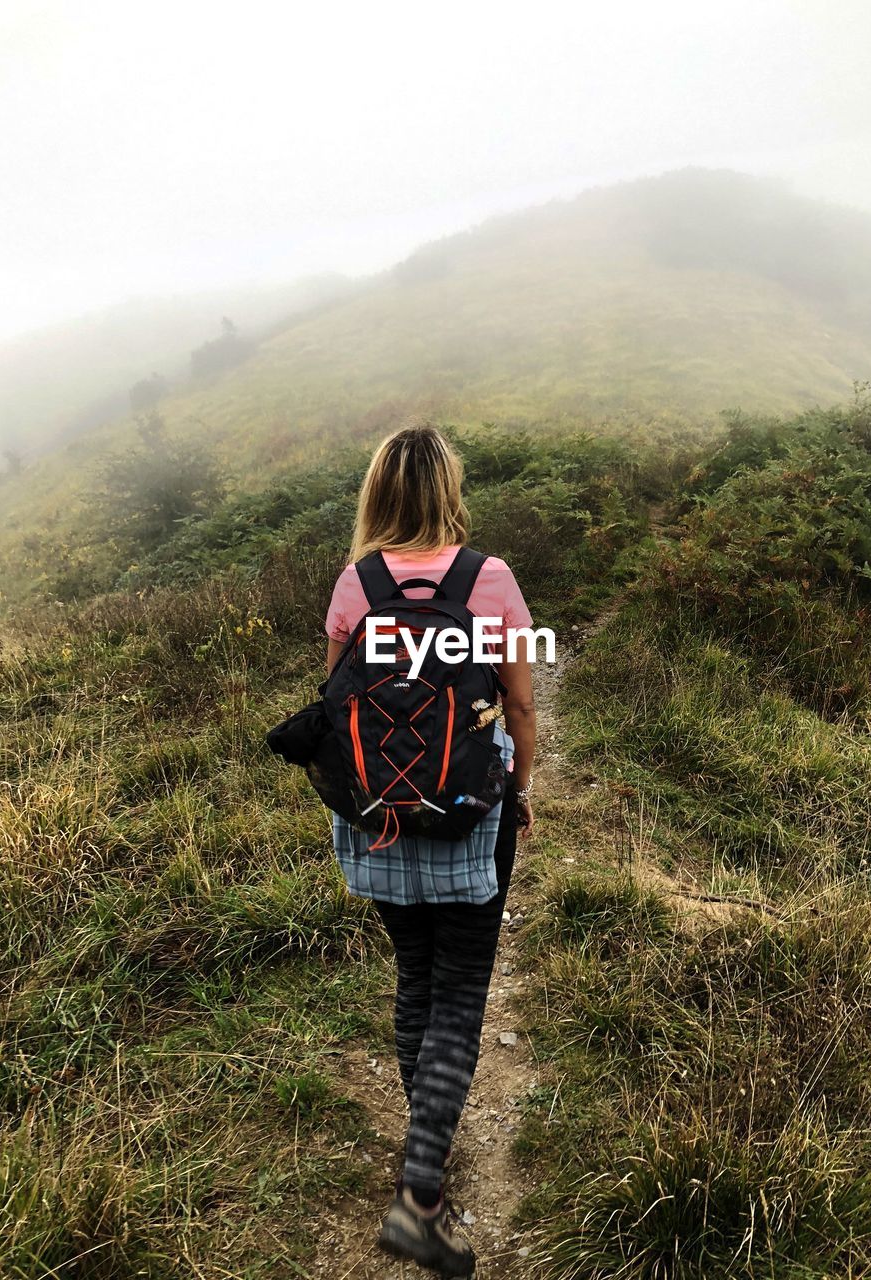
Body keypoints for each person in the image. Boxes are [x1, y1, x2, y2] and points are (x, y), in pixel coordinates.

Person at [324, 423, 537, 1277]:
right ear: (449, 488)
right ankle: (419, 1197)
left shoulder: (357, 582)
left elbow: (335, 706)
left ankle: (426, 1150)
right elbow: (520, 710)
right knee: (460, 993)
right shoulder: (490, 580)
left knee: (416, 977)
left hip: (376, 812)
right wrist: (518, 793)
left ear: (379, 493)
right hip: (468, 812)